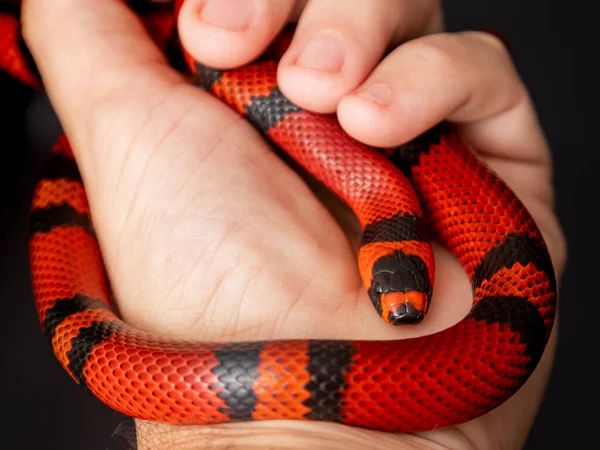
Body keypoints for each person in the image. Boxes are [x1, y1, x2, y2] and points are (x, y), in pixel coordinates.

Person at [21, 0, 566, 448]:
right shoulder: (384, 193)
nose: (401, 307)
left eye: (406, 289)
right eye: (394, 287)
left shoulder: (394, 199)